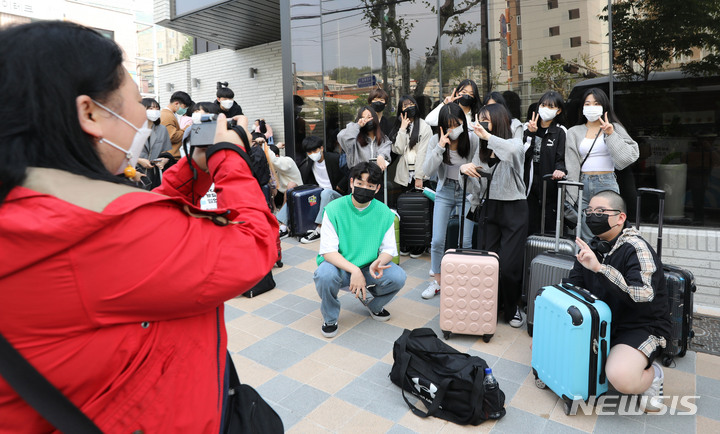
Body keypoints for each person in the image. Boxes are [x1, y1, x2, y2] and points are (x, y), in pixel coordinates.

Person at [0, 21, 278, 433]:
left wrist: (191, 170)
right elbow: (254, 246)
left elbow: (154, 221)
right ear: (89, 113)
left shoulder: (33, 204)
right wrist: (227, 155)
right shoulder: (98, 233)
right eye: (136, 101)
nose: (146, 120)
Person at [564, 191, 670, 412]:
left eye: (601, 212)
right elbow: (574, 287)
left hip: (641, 325)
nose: (593, 216)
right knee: (540, 344)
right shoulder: (593, 246)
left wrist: (600, 269)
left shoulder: (636, 248)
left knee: (621, 377)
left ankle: (653, 376)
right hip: (604, 321)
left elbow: (643, 295)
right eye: (589, 212)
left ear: (621, 217)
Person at [312, 162, 407, 338]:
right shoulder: (333, 209)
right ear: (351, 183)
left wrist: (379, 262)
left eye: (370, 185)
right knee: (324, 275)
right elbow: (328, 251)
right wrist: (354, 270)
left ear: (377, 188)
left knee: (398, 276)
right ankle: (330, 317)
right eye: (360, 183)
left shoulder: (384, 213)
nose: (365, 188)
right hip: (339, 267)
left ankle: (374, 304)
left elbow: (389, 250)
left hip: (369, 266)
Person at [465, 103, 528, 327]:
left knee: (510, 265)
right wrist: (466, 169)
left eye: (487, 119)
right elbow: (476, 178)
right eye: (480, 118)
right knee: (487, 263)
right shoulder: (481, 148)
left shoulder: (514, 142)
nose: (482, 123)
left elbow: (512, 152)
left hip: (514, 207)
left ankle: (512, 310)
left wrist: (488, 136)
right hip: (489, 208)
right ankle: (490, 306)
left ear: (499, 121)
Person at [421, 103, 479, 299]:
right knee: (437, 240)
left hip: (467, 192)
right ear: (442, 126)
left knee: (466, 241)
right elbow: (427, 170)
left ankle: (465, 280)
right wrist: (439, 147)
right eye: (449, 125)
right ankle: (437, 281)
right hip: (445, 191)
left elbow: (479, 168)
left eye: (457, 124)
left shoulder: (472, 139)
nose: (453, 129)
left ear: (463, 122)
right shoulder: (436, 140)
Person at [565, 88, 639, 241]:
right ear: (582, 107)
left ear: (604, 106)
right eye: (587, 103)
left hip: (606, 182)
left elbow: (630, 156)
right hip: (582, 183)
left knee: (608, 228)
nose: (591, 106)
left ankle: (608, 261)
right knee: (584, 229)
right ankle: (588, 262)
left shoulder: (614, 128)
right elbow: (571, 165)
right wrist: (570, 194)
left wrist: (611, 134)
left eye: (596, 103)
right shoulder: (573, 132)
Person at [278, 136, 348, 242]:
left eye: (314, 150)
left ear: (321, 148)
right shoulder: (310, 163)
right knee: (295, 194)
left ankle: (319, 229)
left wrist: (340, 186)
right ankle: (283, 228)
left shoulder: (334, 158)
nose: (312, 154)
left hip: (335, 195)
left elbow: (348, 173)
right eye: (309, 152)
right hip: (320, 195)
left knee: (326, 192)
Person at [389, 95, 433, 258]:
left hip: (420, 174)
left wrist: (419, 176)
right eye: (405, 105)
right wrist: (402, 128)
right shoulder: (399, 126)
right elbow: (398, 150)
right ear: (401, 110)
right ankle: (407, 241)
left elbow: (423, 152)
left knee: (422, 210)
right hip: (404, 175)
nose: (409, 107)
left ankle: (420, 244)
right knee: (407, 210)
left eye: (412, 104)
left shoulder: (424, 126)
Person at [523, 90, 568, 234]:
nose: (545, 109)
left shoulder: (560, 131)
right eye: (543, 105)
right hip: (528, 184)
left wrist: (560, 170)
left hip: (549, 185)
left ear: (558, 111)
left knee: (550, 226)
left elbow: (561, 158)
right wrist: (530, 134)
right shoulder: (527, 127)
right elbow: (521, 155)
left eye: (551, 107)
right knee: (529, 225)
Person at [337, 106, 392, 171]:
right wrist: (357, 126)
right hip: (358, 177)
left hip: (375, 177)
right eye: (363, 118)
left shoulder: (384, 139)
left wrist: (381, 156)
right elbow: (342, 137)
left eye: (369, 117)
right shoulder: (354, 138)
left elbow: (385, 151)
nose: (367, 120)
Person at [136, 98, 172, 189]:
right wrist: (139, 160)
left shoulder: (162, 129)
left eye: (157, 108)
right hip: (135, 172)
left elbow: (166, 152)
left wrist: (164, 160)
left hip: (154, 174)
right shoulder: (132, 128)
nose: (154, 111)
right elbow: (122, 153)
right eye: (150, 108)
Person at [161, 90, 193, 158]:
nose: (185, 110)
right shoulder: (167, 115)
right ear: (176, 103)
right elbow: (172, 136)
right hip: (171, 156)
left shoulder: (170, 114)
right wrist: (186, 129)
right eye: (184, 107)